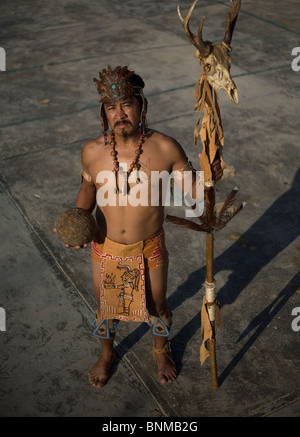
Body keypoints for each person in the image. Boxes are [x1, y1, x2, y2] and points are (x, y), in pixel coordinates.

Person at [57, 65, 222, 388]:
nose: (120, 113)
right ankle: (107, 354)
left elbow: (194, 196)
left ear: (142, 107)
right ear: (103, 113)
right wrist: (78, 220)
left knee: (157, 304)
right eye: (111, 107)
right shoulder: (92, 151)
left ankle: (161, 349)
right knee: (106, 307)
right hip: (105, 246)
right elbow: (88, 190)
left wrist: (208, 178)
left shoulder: (165, 148)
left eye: (127, 104)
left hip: (149, 246)